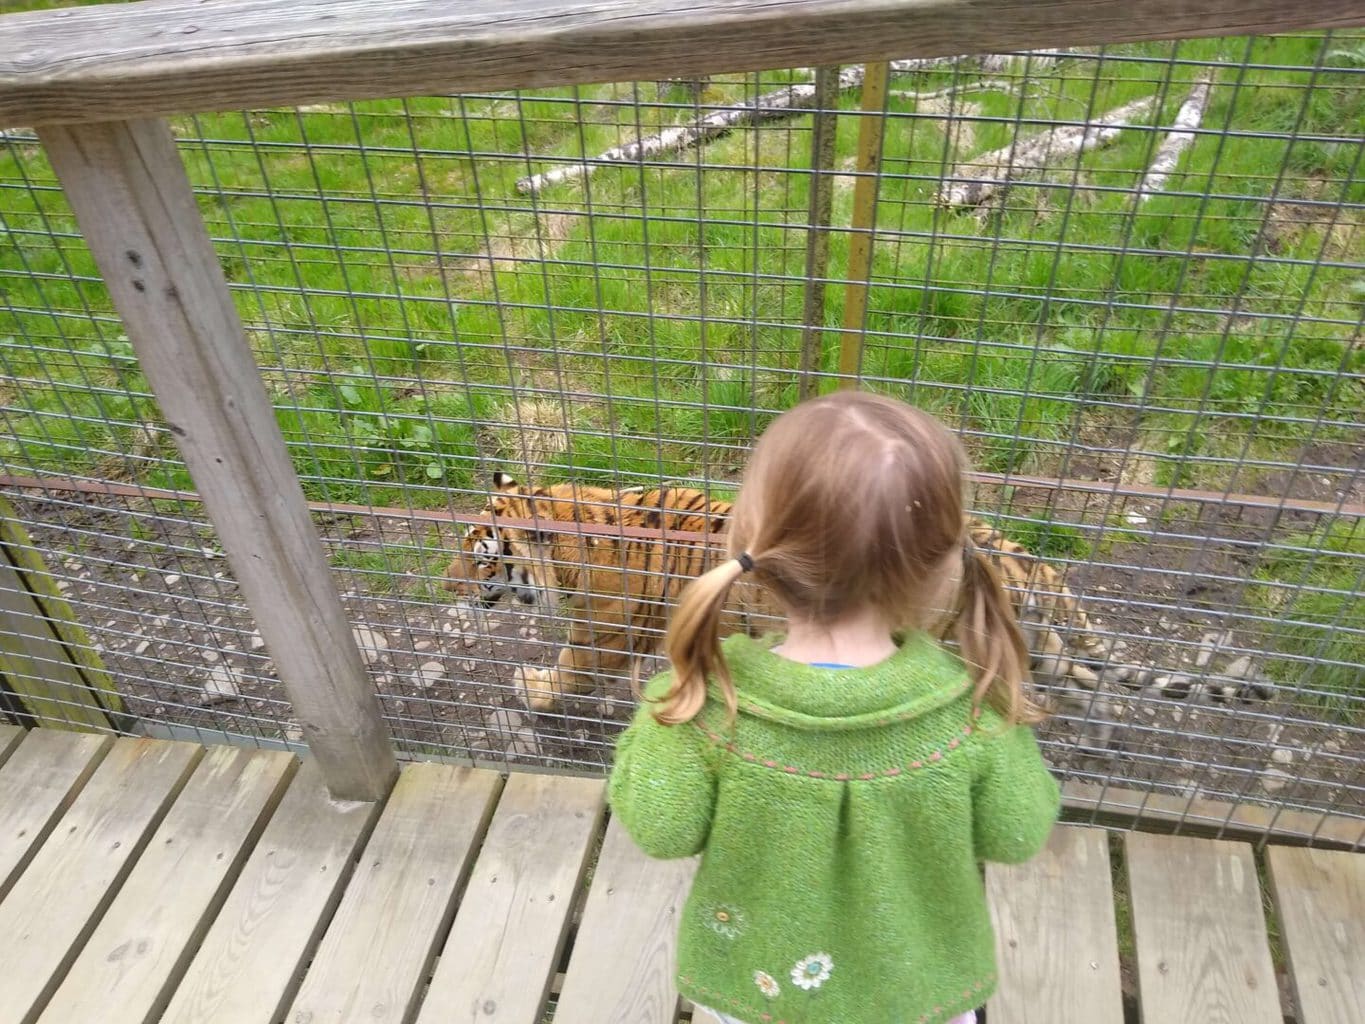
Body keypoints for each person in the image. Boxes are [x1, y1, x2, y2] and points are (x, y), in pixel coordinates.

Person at [607, 391, 1061, 1024]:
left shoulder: (701, 703)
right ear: (939, 563)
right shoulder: (971, 706)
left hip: (757, 997)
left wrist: (652, 725)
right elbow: (1016, 834)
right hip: (921, 999)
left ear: (754, 547)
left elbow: (662, 829)